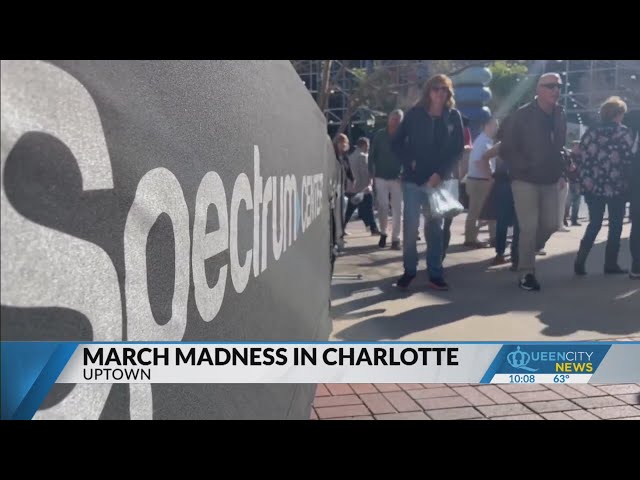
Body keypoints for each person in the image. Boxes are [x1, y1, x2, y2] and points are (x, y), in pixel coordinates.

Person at [391, 74, 464, 290]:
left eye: (444, 90)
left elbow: (457, 151)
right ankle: (409, 270)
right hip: (413, 181)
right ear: (428, 92)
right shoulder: (414, 115)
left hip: (438, 181)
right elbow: (395, 143)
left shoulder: (453, 117)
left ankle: (435, 273)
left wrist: (440, 174)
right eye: (436, 89)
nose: (440, 93)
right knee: (411, 227)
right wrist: (409, 161)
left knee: (435, 229)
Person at [500, 73, 567, 291]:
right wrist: (524, 166)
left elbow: (558, 146)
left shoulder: (559, 113)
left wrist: (562, 169)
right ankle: (526, 272)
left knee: (551, 224)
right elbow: (506, 148)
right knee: (528, 227)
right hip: (524, 179)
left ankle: (526, 250)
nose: (556, 90)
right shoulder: (522, 114)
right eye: (550, 86)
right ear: (538, 90)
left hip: (549, 178)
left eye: (558, 86)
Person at [573, 97, 635, 276]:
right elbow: (628, 159)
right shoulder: (623, 133)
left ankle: (580, 260)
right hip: (617, 186)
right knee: (615, 225)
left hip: (593, 185)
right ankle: (610, 264)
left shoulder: (591, 132)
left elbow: (579, 154)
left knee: (594, 223)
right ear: (619, 114)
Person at [369, 109, 404, 249]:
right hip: (381, 176)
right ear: (389, 119)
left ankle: (396, 239)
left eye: (398, 119)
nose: (395, 121)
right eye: (393, 118)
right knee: (382, 206)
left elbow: (408, 156)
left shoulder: (403, 137)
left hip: (397, 178)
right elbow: (372, 155)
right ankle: (383, 233)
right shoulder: (380, 135)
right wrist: (371, 173)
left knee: (397, 209)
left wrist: (404, 172)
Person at [464, 116, 498, 247]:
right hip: (479, 180)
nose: (496, 128)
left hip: (482, 179)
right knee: (475, 211)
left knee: (489, 210)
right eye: (494, 125)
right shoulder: (482, 141)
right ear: (486, 126)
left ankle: (494, 237)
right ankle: (470, 239)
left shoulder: (487, 141)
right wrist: (490, 178)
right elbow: (479, 162)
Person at [343, 137, 380, 235]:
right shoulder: (363, 157)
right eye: (367, 146)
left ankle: (342, 228)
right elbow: (364, 174)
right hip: (362, 188)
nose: (368, 148)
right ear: (364, 145)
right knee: (368, 209)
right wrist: (369, 186)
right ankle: (373, 228)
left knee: (349, 210)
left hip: (351, 188)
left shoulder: (351, 156)